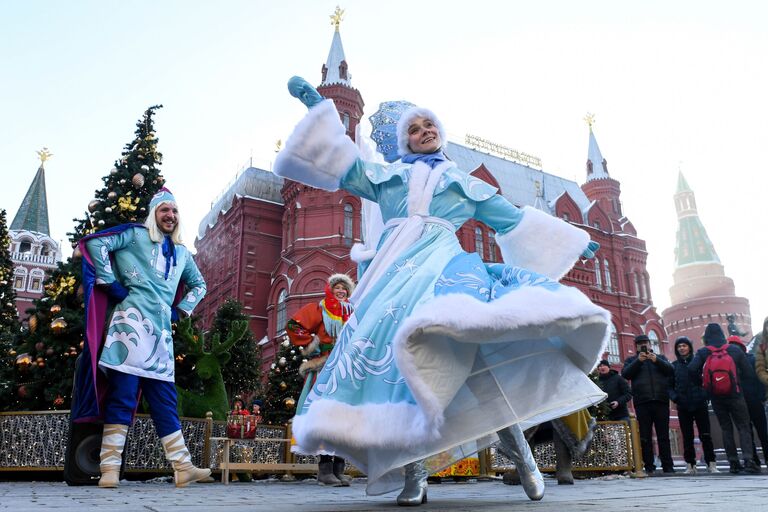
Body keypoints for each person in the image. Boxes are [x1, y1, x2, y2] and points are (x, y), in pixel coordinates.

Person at [272, 77, 609, 506]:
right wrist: (319, 108)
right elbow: (348, 168)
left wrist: (577, 240)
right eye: (414, 129)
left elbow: (511, 218)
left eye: (430, 125)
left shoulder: (463, 183)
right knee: (403, 366)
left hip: (449, 271)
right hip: (396, 275)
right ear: (405, 141)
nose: (425, 131)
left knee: (477, 358)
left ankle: (522, 457)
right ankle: (416, 476)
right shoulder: (388, 178)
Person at [72, 187, 210, 488]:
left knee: (165, 402)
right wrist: (111, 284)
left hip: (160, 337)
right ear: (154, 214)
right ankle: (109, 470)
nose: (170, 216)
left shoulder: (183, 254)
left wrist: (181, 311)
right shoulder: (135, 236)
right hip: (130, 329)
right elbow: (96, 245)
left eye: (174, 211)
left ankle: (182, 467)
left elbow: (200, 285)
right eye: (164, 210)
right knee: (122, 398)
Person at [286, 273, 356, 487]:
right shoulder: (320, 308)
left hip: (346, 367)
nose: (341, 291)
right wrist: (313, 342)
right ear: (331, 289)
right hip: (325, 368)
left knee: (344, 418)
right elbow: (293, 324)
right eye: (337, 288)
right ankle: (325, 470)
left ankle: (338, 468)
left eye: (345, 288)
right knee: (325, 416)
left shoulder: (353, 312)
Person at [688, 323, 759, 474]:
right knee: (743, 427)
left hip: (716, 397)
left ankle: (733, 463)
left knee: (726, 429)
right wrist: (737, 381)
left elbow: (691, 370)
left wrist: (704, 385)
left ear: (707, 337)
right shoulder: (733, 350)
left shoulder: (703, 352)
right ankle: (748, 460)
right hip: (736, 394)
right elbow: (748, 372)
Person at [621, 334, 674, 475]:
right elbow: (625, 374)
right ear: (636, 346)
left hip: (661, 401)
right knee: (645, 436)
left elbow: (670, 370)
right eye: (640, 343)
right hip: (642, 402)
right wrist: (638, 361)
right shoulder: (632, 360)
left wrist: (656, 360)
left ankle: (668, 466)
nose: (643, 345)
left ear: (650, 344)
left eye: (645, 342)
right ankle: (649, 466)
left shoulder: (660, 358)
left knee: (663, 436)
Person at [668, 337, 718, 474]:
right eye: (679, 346)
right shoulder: (674, 366)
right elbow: (669, 386)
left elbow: (708, 380)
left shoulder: (700, 362)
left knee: (705, 435)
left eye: (684, 345)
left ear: (689, 347)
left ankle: (711, 463)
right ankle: (690, 464)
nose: (681, 348)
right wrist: (675, 398)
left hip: (700, 403)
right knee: (687, 436)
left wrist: (705, 395)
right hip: (683, 405)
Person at [728, 335, 768, 468]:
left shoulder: (729, 362)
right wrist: (761, 397)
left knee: (746, 432)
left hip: (739, 401)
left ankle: (754, 460)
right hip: (754, 400)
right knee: (763, 431)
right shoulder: (752, 359)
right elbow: (760, 379)